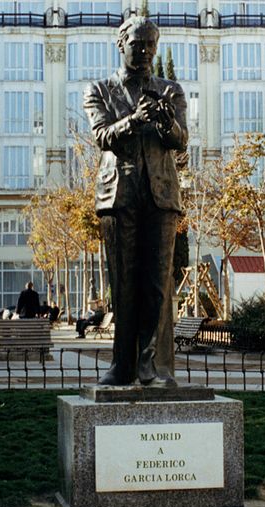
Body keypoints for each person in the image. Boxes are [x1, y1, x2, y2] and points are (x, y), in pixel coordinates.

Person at [84, 15, 187, 387]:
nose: (144, 52)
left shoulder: (170, 90)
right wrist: (134, 119)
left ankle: (152, 366)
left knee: (158, 284)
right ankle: (121, 365)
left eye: (150, 46)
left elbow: (180, 140)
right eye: (138, 44)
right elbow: (102, 136)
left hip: (161, 198)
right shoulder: (99, 89)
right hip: (119, 196)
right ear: (121, 45)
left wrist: (164, 123)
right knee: (124, 284)